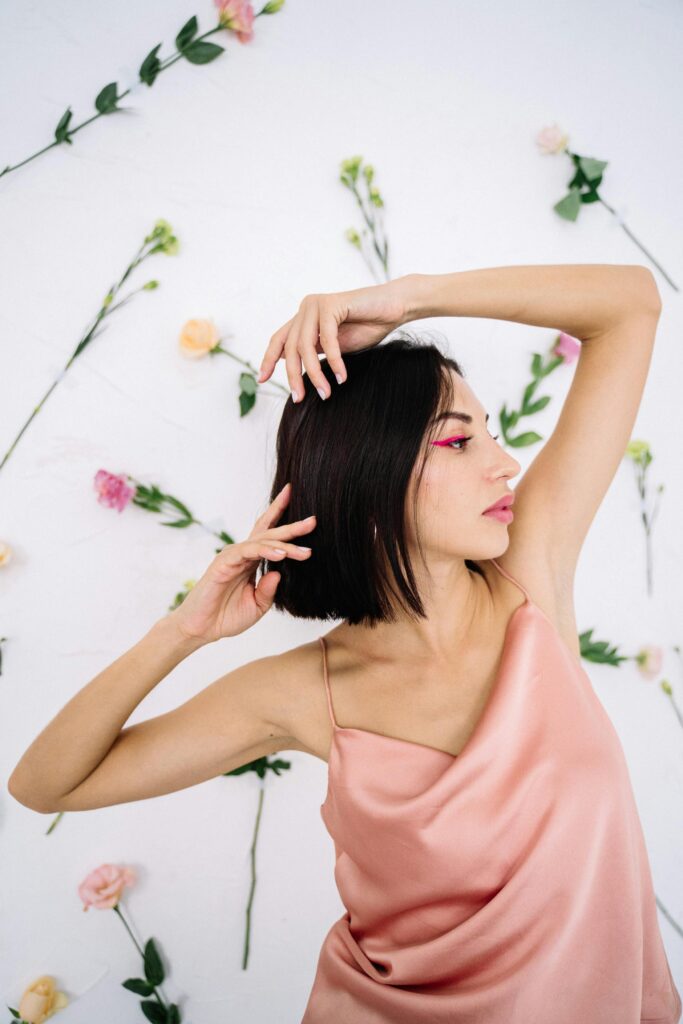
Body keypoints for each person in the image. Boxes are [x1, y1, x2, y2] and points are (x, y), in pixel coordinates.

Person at [9, 265, 680, 1023]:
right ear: (370, 476)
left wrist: (404, 299)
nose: (504, 461)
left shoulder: (532, 576)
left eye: (489, 433)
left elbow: (630, 305)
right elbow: (45, 784)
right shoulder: (300, 693)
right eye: (458, 442)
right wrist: (181, 632)